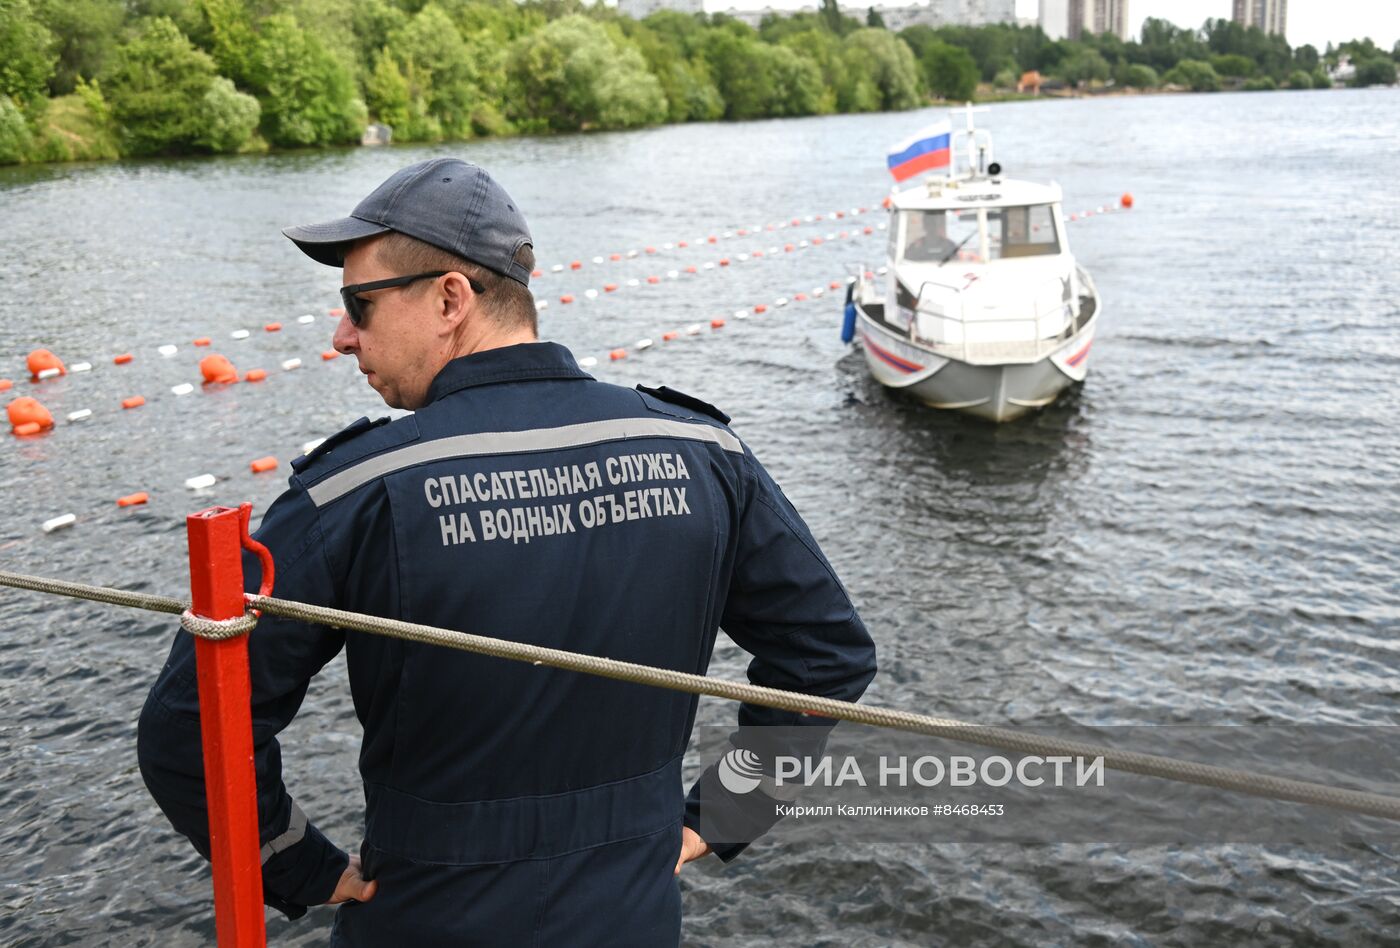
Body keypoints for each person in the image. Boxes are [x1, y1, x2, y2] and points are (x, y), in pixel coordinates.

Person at [137, 158, 877, 946]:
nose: (342, 334)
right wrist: (721, 816)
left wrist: (300, 867)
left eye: (360, 305)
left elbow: (189, 730)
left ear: (450, 298)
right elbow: (825, 659)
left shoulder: (357, 487)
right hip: (630, 917)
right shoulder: (703, 452)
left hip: (423, 921)